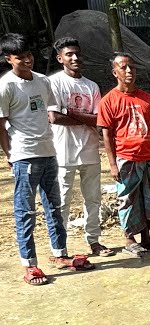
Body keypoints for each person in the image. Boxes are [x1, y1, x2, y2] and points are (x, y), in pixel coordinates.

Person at [1, 32, 87, 284]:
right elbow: (0, 124)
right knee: (25, 211)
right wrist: (10, 155)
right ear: (9, 59)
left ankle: (60, 254)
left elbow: (47, 112)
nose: (27, 60)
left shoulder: (42, 81)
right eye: (20, 57)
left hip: (49, 152)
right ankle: (30, 265)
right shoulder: (5, 86)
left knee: (54, 206)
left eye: (29, 55)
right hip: (23, 156)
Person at [99, 53, 150, 257]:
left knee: (147, 197)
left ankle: (146, 237)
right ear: (115, 72)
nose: (129, 71)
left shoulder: (147, 99)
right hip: (126, 158)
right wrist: (112, 164)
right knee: (127, 198)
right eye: (124, 67)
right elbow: (107, 135)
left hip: (149, 157)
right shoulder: (109, 101)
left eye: (132, 68)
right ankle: (129, 238)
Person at [48, 37, 109, 256]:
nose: (75, 58)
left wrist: (71, 112)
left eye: (77, 53)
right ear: (60, 58)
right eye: (69, 54)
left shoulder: (91, 85)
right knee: (62, 201)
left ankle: (94, 240)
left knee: (93, 198)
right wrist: (84, 117)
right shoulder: (54, 83)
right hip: (63, 151)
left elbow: (98, 119)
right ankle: (60, 248)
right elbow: (54, 117)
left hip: (90, 149)